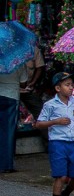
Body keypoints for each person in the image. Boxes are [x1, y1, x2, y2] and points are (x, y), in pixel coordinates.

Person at [0, 37, 40, 176]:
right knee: (9, 132)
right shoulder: (18, 62)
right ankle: (6, 164)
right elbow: (23, 83)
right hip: (11, 97)